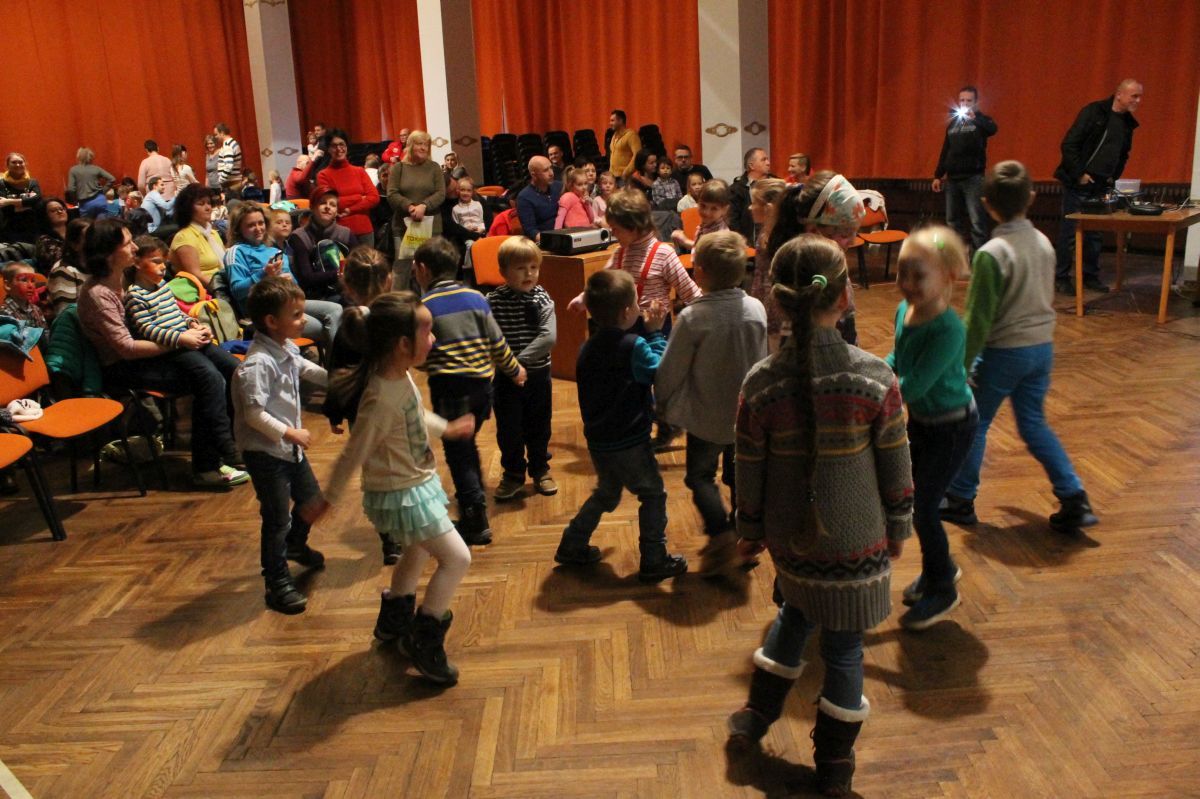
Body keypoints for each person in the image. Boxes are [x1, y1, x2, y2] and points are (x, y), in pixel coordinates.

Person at [726, 235, 913, 797]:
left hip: (791, 541)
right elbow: (896, 463)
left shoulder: (761, 383)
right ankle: (834, 762)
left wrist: (749, 529)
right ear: (845, 296)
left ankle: (758, 714)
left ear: (778, 299)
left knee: (796, 611)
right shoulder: (875, 378)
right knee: (845, 648)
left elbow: (748, 468)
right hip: (858, 543)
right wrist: (899, 525)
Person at [315, 292, 476, 684]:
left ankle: (395, 620)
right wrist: (328, 499)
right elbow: (354, 451)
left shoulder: (397, 377)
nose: (433, 339)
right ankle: (425, 638)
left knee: (417, 550)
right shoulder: (380, 397)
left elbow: (414, 413)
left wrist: (446, 428)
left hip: (412, 483)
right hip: (403, 491)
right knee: (458, 559)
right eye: (428, 332)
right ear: (403, 344)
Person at [944, 160, 1099, 534]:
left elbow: (978, 321)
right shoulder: (1044, 243)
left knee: (975, 424)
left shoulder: (991, 253)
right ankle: (1074, 496)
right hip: (1041, 349)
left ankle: (960, 500)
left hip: (1004, 353)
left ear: (986, 204)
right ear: (1031, 197)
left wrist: (961, 367)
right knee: (1033, 425)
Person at [78, 218, 247, 488]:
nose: (134, 247)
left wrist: (191, 325)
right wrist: (181, 340)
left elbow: (164, 315)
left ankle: (228, 446)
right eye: (127, 243)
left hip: (154, 350)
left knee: (231, 369)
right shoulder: (98, 294)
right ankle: (208, 465)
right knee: (208, 378)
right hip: (123, 367)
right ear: (108, 253)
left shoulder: (125, 278)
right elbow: (126, 348)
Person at [554, 269, 688, 582]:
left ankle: (572, 544)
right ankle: (654, 558)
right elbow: (659, 372)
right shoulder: (633, 345)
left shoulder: (586, 347)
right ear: (628, 311)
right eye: (637, 304)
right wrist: (656, 333)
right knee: (652, 494)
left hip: (599, 440)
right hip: (630, 440)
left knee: (607, 493)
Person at [655, 231, 766, 575]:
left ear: (699, 272)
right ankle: (744, 538)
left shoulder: (693, 317)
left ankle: (720, 533)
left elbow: (670, 370)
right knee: (740, 479)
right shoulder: (756, 309)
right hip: (747, 418)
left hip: (706, 418)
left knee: (700, 477)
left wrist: (662, 404)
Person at [885, 226, 977, 630]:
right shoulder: (903, 311)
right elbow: (899, 358)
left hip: (952, 427)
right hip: (923, 423)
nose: (906, 283)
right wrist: (877, 372)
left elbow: (915, 384)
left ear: (948, 277)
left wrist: (874, 396)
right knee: (914, 502)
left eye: (918, 275)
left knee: (923, 507)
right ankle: (941, 568)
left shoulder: (948, 330)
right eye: (902, 272)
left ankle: (943, 588)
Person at [415, 237, 526, 546]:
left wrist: (426, 366)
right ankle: (473, 495)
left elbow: (420, 355)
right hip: (482, 387)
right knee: (467, 444)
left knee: (458, 453)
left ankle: (475, 519)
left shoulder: (424, 307)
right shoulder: (477, 297)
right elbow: (497, 341)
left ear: (422, 269)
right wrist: (514, 369)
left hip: (450, 388)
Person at [229, 277, 328, 615]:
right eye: (297, 315)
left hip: (288, 448)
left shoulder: (285, 347)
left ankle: (295, 546)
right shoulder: (258, 364)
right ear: (272, 321)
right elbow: (253, 414)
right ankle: (276, 581)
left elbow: (305, 368)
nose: (304, 320)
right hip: (266, 452)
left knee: (312, 501)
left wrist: (339, 380)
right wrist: (289, 433)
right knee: (276, 519)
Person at [568, 189, 700, 338]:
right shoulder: (619, 252)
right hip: (624, 328)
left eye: (616, 229)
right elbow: (602, 284)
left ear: (634, 227)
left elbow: (690, 292)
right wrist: (584, 298)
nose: (613, 233)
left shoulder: (663, 253)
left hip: (654, 332)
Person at [1053, 78, 1143, 295]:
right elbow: (1069, 144)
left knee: (1095, 234)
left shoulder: (1127, 123)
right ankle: (1061, 277)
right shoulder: (1094, 112)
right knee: (1069, 232)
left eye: (1140, 97)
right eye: (1134, 96)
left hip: (1103, 184)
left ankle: (1090, 275)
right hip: (1079, 182)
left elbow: (1123, 154)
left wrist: (1113, 178)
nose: (1138, 101)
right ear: (1119, 94)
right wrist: (1080, 175)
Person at [487, 237, 557, 501]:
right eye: (520, 268)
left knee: (539, 425)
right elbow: (489, 336)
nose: (529, 274)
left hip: (537, 375)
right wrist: (510, 368)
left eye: (533, 267)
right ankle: (513, 474)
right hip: (506, 378)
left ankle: (540, 469)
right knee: (509, 429)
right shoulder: (493, 300)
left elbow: (548, 337)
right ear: (503, 272)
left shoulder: (542, 298)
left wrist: (518, 363)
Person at [767, 171, 867, 345]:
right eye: (845, 234)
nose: (852, 241)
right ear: (813, 230)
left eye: (855, 232)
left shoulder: (833, 263)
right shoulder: (790, 271)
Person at [224, 202, 343, 345]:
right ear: (238, 229)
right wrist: (264, 274)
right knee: (327, 328)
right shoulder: (236, 251)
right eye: (251, 225)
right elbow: (237, 291)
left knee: (336, 310)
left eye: (261, 223)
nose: (258, 229)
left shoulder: (275, 251)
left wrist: (290, 282)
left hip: (290, 302)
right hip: (266, 311)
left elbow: (298, 290)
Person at [932, 86, 997, 252]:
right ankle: (957, 257)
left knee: (977, 222)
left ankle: (978, 258)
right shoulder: (953, 123)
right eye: (962, 100)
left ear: (975, 102)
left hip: (973, 178)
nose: (965, 103)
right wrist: (938, 175)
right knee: (952, 221)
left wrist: (976, 119)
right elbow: (946, 149)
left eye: (969, 100)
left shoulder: (981, 120)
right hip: (952, 178)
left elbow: (993, 129)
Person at [387, 130, 445, 289]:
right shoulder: (399, 168)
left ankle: (431, 300)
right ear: (410, 145)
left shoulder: (434, 168)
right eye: (420, 144)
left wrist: (424, 206)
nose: (424, 148)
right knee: (401, 268)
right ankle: (398, 302)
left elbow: (441, 193)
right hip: (403, 226)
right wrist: (410, 207)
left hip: (431, 226)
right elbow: (392, 193)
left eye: (426, 144)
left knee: (431, 268)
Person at [288, 187, 355, 302]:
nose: (328, 207)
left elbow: (358, 264)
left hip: (346, 290)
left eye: (333, 205)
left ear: (336, 211)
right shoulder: (299, 236)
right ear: (312, 207)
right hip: (315, 294)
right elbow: (307, 277)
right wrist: (340, 273)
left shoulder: (346, 233)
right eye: (322, 203)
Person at [316, 129, 381, 247]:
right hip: (339, 232)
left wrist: (350, 209)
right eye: (334, 146)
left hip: (365, 230)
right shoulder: (323, 175)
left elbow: (374, 198)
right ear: (328, 149)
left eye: (342, 144)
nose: (338, 149)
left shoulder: (359, 171)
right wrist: (359, 198)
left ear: (346, 146)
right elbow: (330, 203)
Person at [746, 178, 789, 340]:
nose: (750, 207)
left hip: (774, 305)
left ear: (769, 208)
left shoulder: (776, 239)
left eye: (754, 203)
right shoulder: (765, 233)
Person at [169, 184, 225, 286]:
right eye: (201, 204)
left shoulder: (213, 233)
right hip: (203, 289)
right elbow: (195, 275)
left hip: (222, 283)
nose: (208, 207)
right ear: (188, 209)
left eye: (209, 203)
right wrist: (222, 289)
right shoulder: (184, 236)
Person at [670, 179, 730, 252]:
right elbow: (700, 247)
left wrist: (685, 241)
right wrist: (684, 241)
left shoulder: (720, 236)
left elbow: (706, 252)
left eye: (714, 208)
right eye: (703, 205)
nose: (707, 212)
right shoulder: (707, 225)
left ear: (725, 209)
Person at [728, 147, 773, 241]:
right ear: (751, 166)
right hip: (748, 241)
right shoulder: (736, 190)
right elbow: (732, 221)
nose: (768, 163)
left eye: (767, 159)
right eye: (763, 160)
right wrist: (742, 242)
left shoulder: (775, 184)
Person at [48, 218, 90, 316]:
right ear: (74, 245)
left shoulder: (98, 265)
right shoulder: (63, 271)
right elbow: (66, 315)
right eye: (89, 239)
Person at [0, 153, 43, 246]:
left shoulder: (32, 182)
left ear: (25, 164)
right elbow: (5, 208)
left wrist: (9, 201)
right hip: (9, 229)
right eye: (14, 162)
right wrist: (28, 204)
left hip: (31, 227)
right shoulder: (1, 184)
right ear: (7, 165)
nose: (18, 165)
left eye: (20, 162)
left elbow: (37, 202)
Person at [516, 156, 562, 242]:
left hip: (565, 235)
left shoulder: (559, 186)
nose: (551, 173)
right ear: (534, 175)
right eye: (545, 170)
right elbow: (531, 231)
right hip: (545, 241)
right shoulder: (524, 197)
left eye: (551, 168)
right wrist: (552, 241)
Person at [67, 147, 114, 218]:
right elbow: (112, 179)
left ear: (78, 157)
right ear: (91, 157)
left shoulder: (73, 170)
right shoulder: (96, 168)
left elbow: (71, 189)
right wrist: (103, 191)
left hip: (85, 203)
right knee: (102, 223)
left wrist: (74, 200)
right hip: (100, 200)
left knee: (87, 224)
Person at [1, 262, 46, 330]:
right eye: (24, 280)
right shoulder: (4, 314)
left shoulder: (36, 309)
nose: (30, 286)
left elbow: (45, 332)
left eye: (33, 281)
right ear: (7, 285)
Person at [34, 197, 70, 274]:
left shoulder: (75, 231)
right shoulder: (44, 240)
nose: (60, 212)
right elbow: (60, 263)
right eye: (53, 211)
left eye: (61, 209)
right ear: (45, 216)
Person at [607, 110, 642, 181]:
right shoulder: (614, 136)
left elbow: (638, 155)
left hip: (626, 177)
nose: (610, 123)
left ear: (620, 121)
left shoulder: (631, 135)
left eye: (612, 121)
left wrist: (626, 172)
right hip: (614, 177)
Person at [214, 122, 244, 196]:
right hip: (233, 183)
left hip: (231, 184)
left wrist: (220, 180)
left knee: (232, 203)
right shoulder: (232, 143)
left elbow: (228, 166)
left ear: (222, 133)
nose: (215, 137)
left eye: (216, 134)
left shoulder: (227, 145)